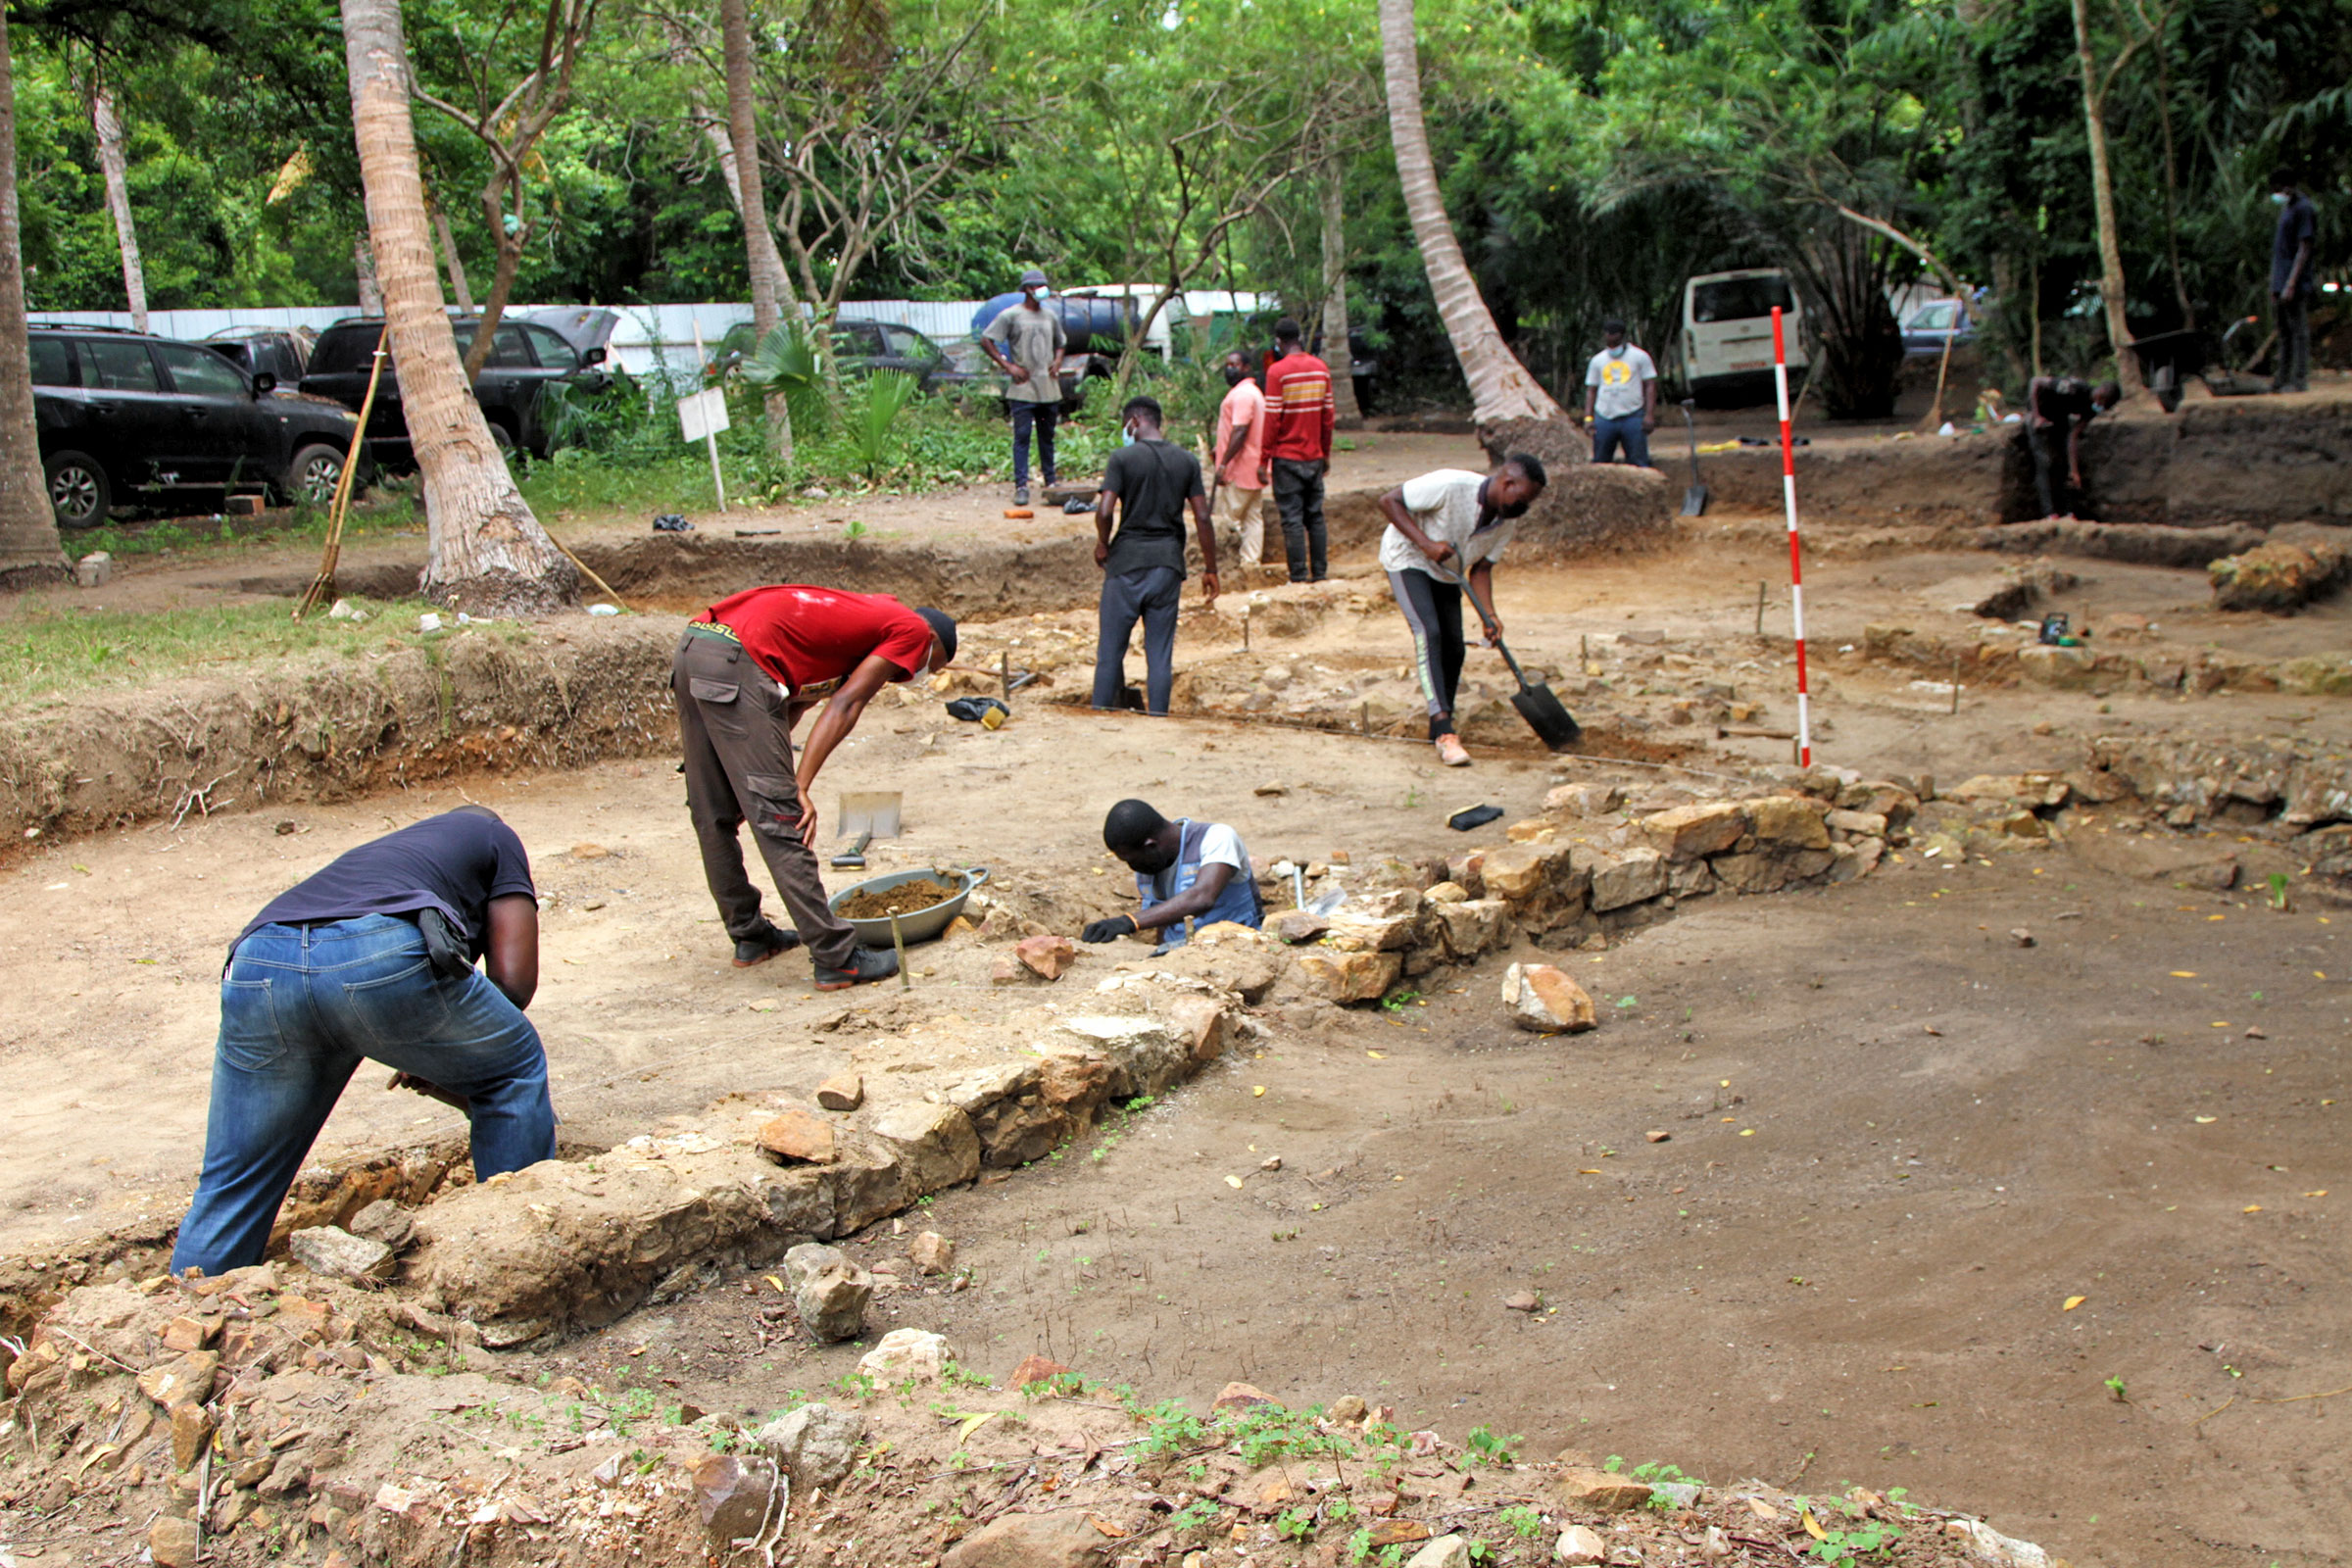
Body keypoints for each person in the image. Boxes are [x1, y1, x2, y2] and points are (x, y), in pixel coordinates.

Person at [171, 807, 555, 1276]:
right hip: (374, 952)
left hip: (259, 964)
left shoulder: (386, 857)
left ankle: (192, 1309)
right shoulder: (493, 832)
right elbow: (513, 984)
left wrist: (436, 1048)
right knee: (512, 1071)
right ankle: (516, 1266)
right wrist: (456, 1058)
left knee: (235, 1183)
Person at [674, 585, 956, 990]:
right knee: (783, 818)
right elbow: (846, 705)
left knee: (713, 812)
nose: (916, 672)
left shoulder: (860, 627)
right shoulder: (911, 630)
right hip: (739, 657)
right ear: (930, 642)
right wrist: (797, 786)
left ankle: (751, 937)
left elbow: (788, 705)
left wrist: (756, 768)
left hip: (697, 646)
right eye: (930, 665)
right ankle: (837, 957)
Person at [1375, 456, 1547, 766]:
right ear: (1507, 483)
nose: (1524, 508)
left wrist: (1489, 616)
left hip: (1447, 571)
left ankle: (1441, 719)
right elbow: (1389, 501)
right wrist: (1426, 544)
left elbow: (1481, 569)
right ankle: (1444, 730)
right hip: (1408, 558)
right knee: (1429, 633)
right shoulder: (1451, 485)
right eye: (1523, 499)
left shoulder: (1506, 522)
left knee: (1454, 646)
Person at [1093, 395, 1219, 715]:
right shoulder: (1186, 461)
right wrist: (1211, 568)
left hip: (1126, 564)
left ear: (1134, 422)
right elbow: (1203, 517)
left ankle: (1099, 719)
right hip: (1167, 565)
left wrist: (1102, 544)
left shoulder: (1122, 459)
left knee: (1110, 653)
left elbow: (1105, 510)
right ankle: (1158, 719)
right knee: (1160, 654)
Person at [1081, 799, 1264, 952]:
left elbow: (1202, 897)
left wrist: (1131, 921)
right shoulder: (1149, 867)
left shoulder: (1217, 838)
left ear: (1151, 846)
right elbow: (1164, 920)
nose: (1132, 868)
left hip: (1236, 950)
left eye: (1132, 860)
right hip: (1181, 956)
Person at [980, 268, 1067, 506]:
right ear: (1028, 289)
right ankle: (1021, 485)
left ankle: (1050, 481)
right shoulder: (1011, 315)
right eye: (1038, 286)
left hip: (1048, 387)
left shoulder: (1050, 316)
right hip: (1023, 387)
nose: (1043, 290)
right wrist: (1008, 366)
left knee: (1047, 437)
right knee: (1022, 436)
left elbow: (1061, 342)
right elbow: (986, 339)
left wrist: (1058, 360)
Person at [1262, 317, 1336, 583]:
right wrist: (1325, 453)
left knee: (1292, 518)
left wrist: (1263, 459)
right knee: (1315, 516)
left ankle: (1298, 576)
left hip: (1286, 458)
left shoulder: (1277, 372)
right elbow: (1328, 417)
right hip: (1314, 456)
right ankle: (1320, 573)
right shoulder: (1321, 369)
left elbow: (1272, 419)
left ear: (1278, 341)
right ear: (1300, 338)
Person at [2025, 375, 2121, 518]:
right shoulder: (2072, 388)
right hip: (2040, 410)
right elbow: (2035, 381)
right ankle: (2049, 513)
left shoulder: (2091, 410)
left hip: (2059, 416)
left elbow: (2073, 436)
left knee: (2062, 464)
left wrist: (2074, 470)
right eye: (2102, 402)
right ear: (2101, 394)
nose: (2100, 406)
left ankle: (2067, 511)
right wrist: (2036, 415)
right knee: (2045, 462)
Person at [1210, 349, 1270, 569]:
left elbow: (1240, 430)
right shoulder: (1254, 393)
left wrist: (1224, 463)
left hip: (1239, 469)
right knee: (1253, 517)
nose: (1229, 369)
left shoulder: (1243, 395)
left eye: (1234, 365)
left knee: (1230, 518)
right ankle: (1250, 563)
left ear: (1246, 367)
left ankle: (1228, 566)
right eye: (1227, 365)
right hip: (1255, 468)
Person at [1581, 318, 1657, 467]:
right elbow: (1591, 390)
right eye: (1607, 334)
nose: (1610, 338)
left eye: (1613, 335)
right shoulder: (1597, 360)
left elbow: (1650, 385)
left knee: (1638, 461)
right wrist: (1588, 418)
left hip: (1633, 415)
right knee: (1601, 461)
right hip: (1605, 416)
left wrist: (1649, 414)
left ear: (1621, 336)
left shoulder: (1640, 356)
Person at [2271, 172, 2317, 395]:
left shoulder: (2304, 209)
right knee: (2284, 332)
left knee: (2299, 331)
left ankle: (2300, 379)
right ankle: (2282, 378)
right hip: (2280, 280)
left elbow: (2304, 247)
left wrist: (2291, 283)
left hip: (2294, 281)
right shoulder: (2287, 209)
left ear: (2288, 187)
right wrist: (2275, 285)